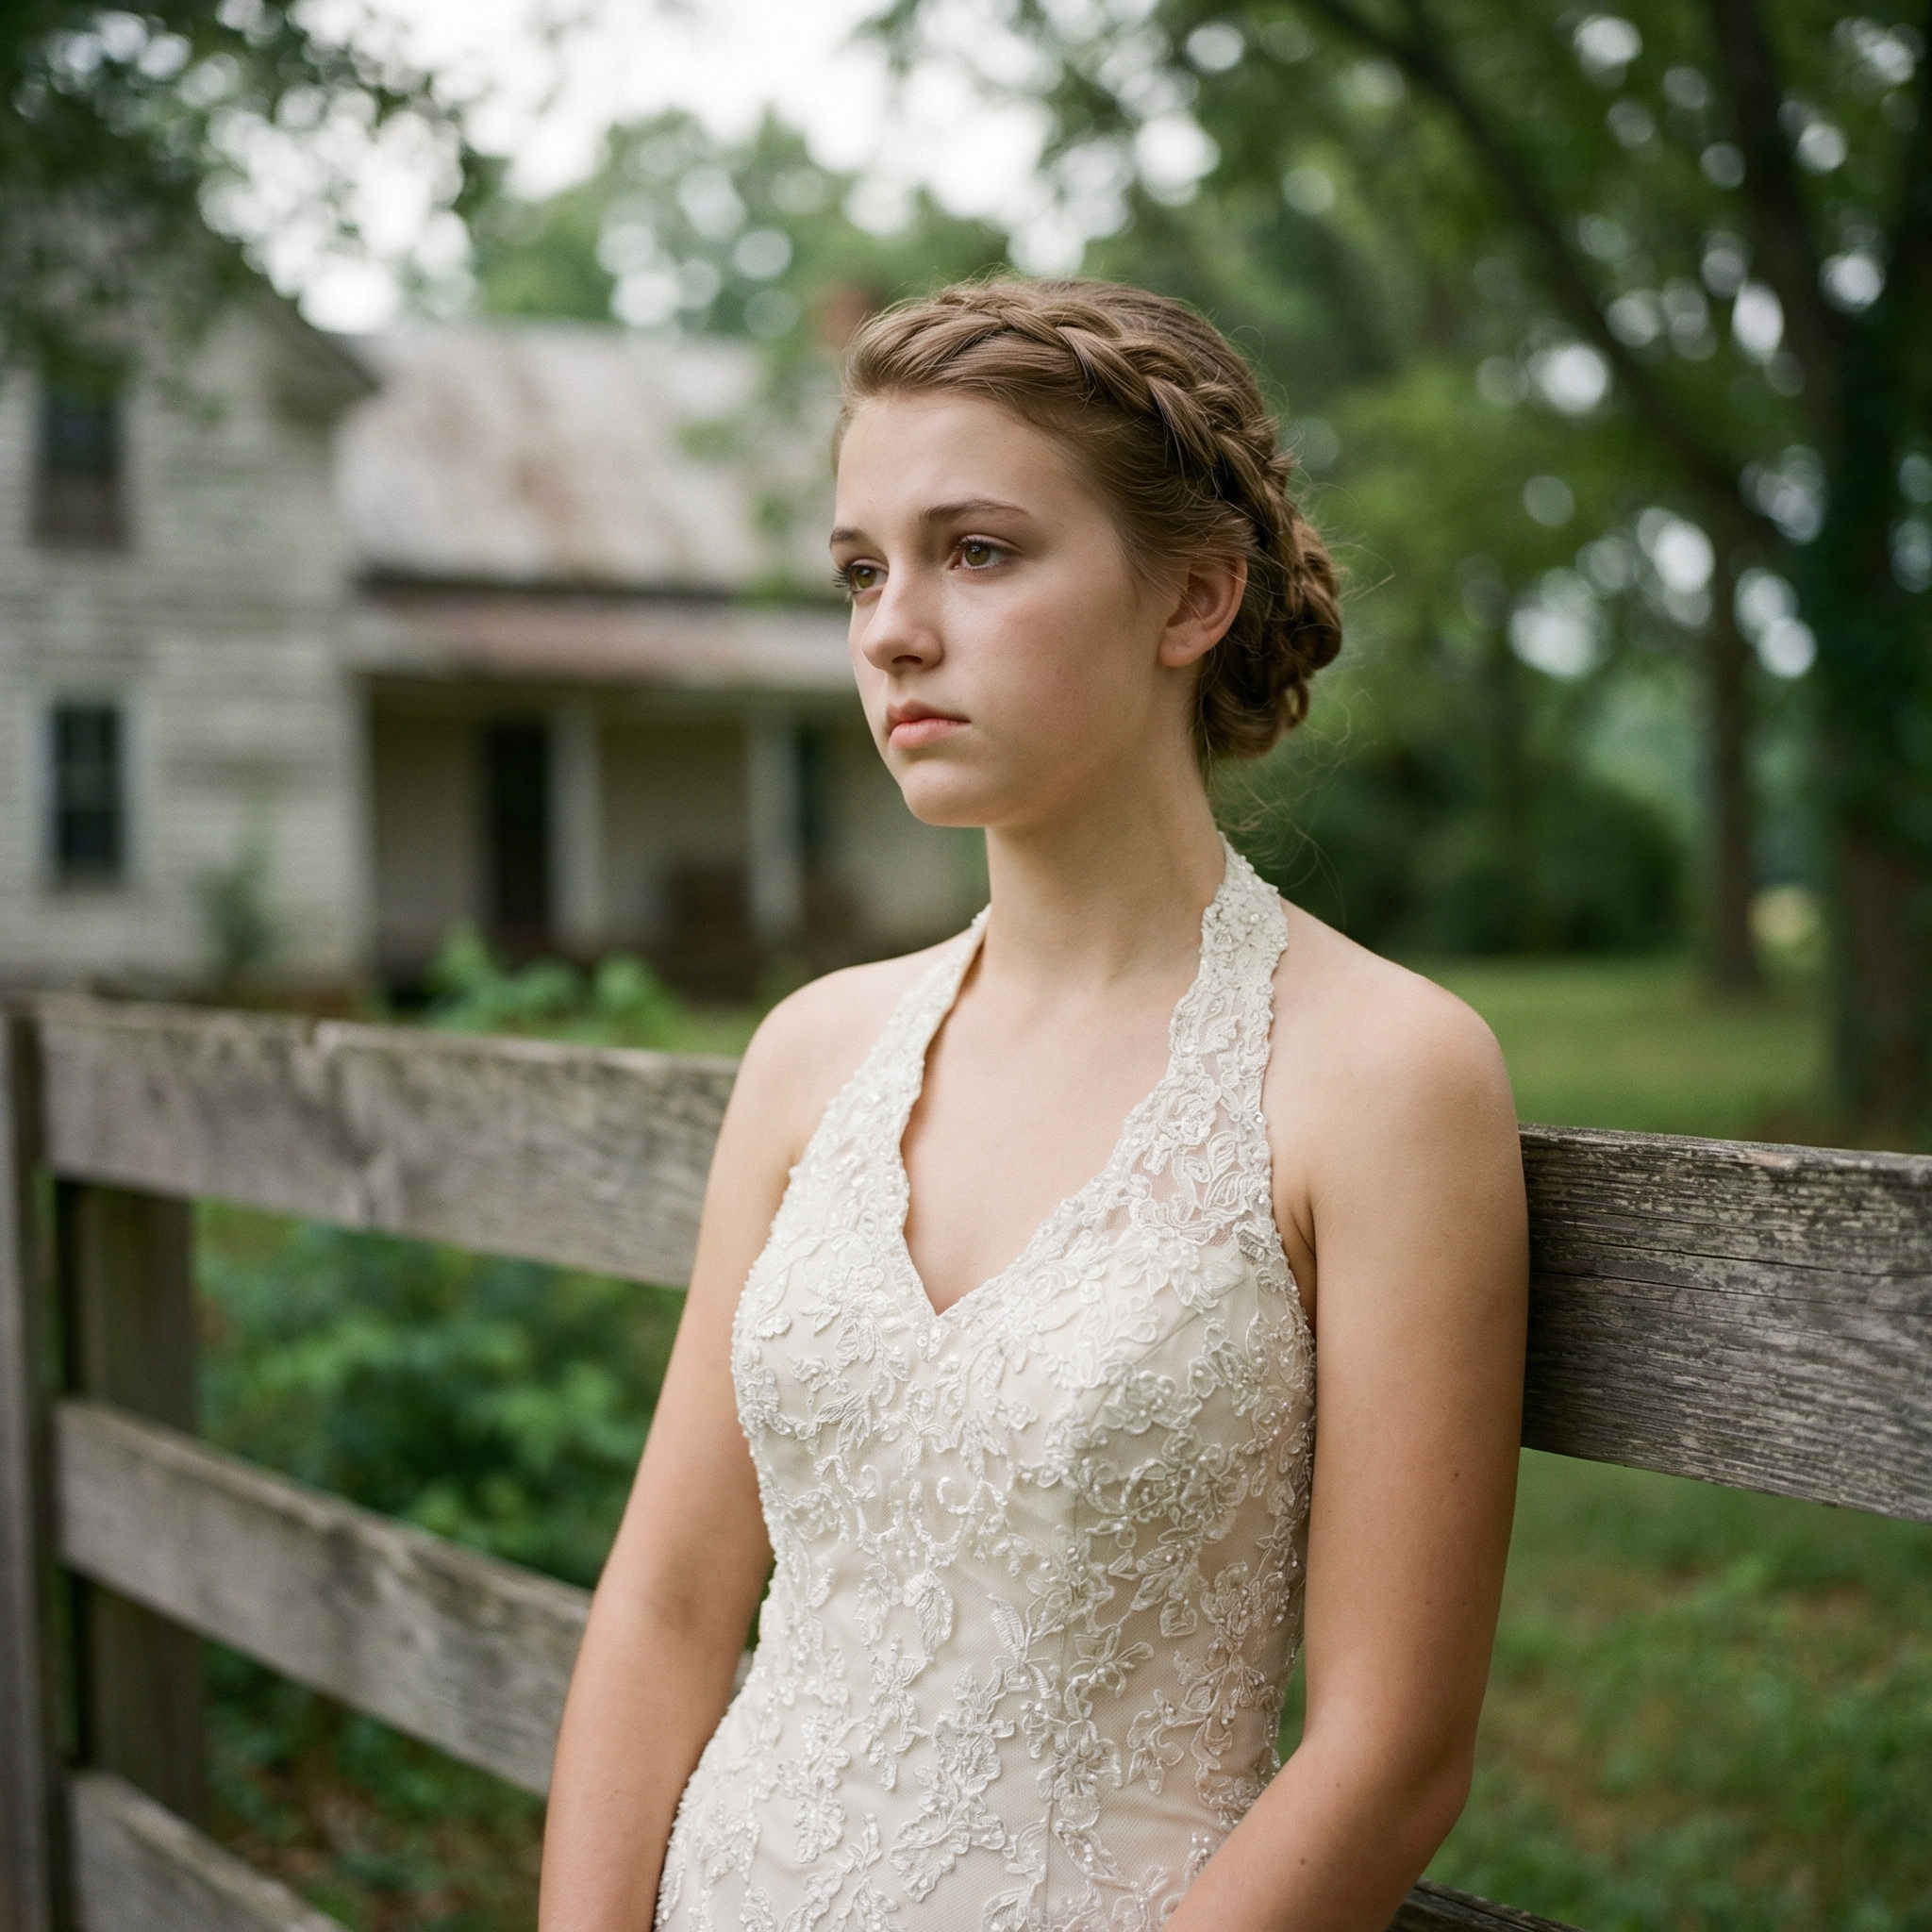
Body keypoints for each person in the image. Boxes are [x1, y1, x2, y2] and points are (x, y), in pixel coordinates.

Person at [539, 278, 1528, 1932]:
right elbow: (667, 1604)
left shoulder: (1382, 1074)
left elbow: (1394, 1747)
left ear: (1193, 597)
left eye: (977, 552)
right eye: (863, 570)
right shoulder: (809, 1054)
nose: (892, 629)